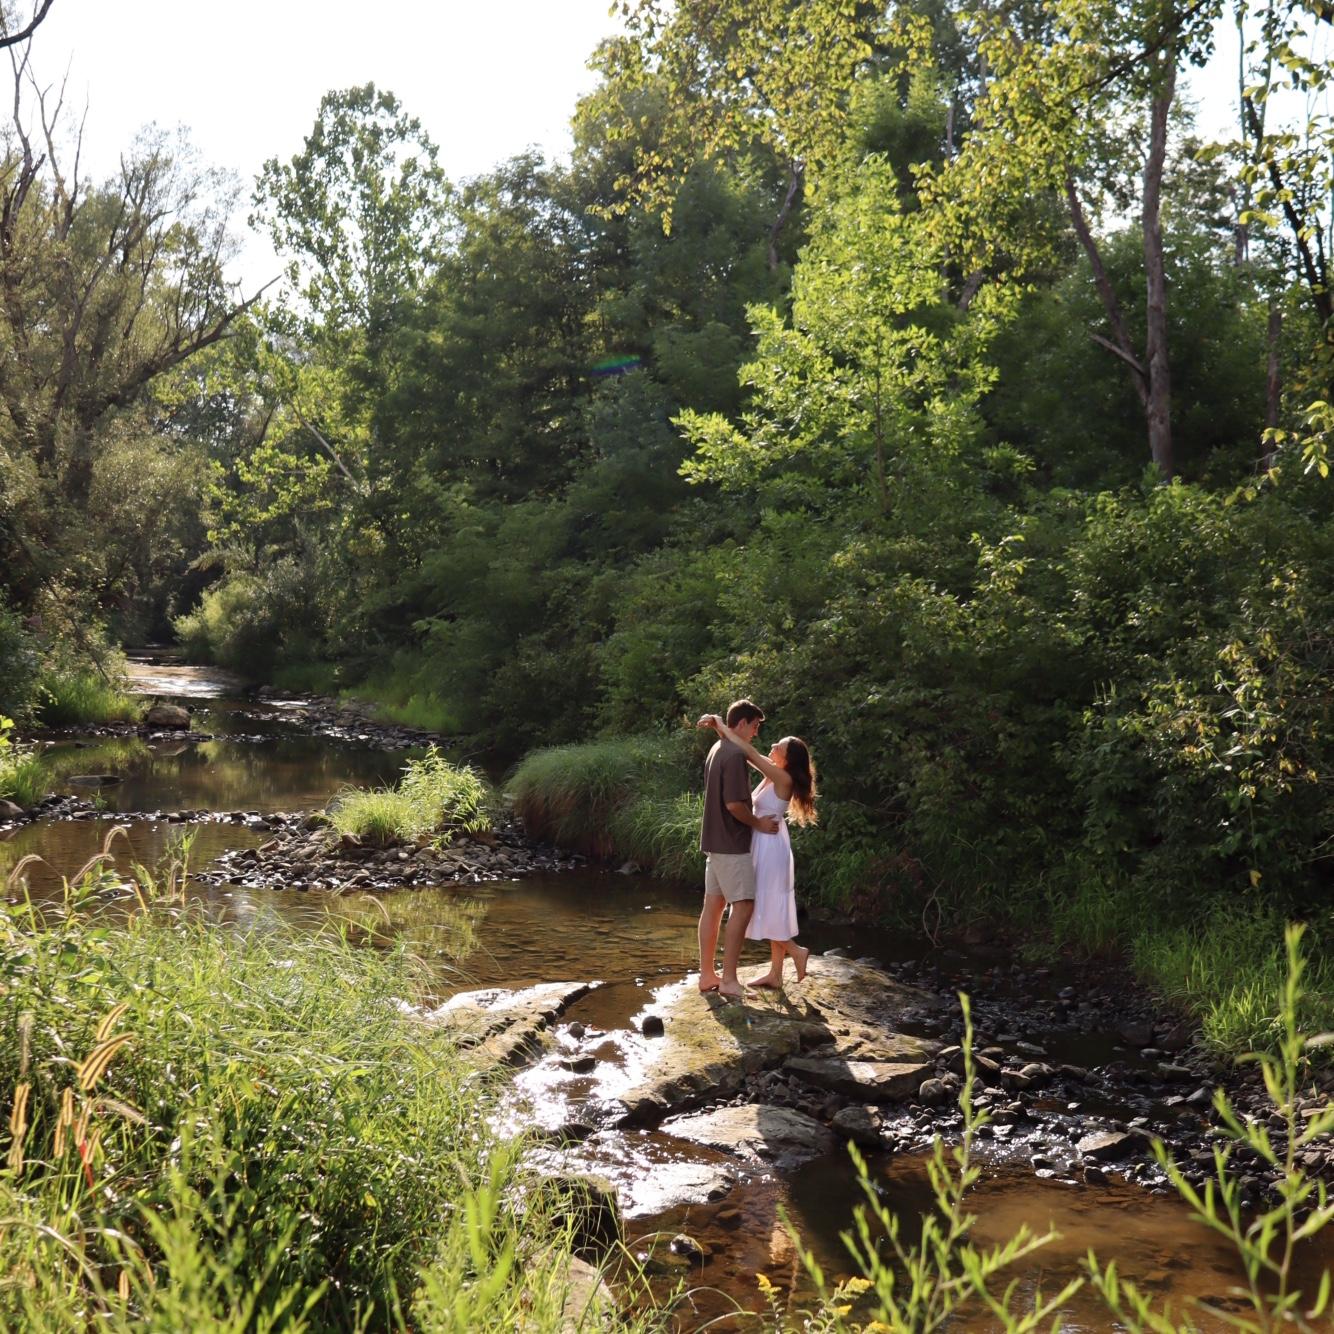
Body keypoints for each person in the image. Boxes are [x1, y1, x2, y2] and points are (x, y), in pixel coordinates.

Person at [699, 713, 818, 988]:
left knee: (767, 903)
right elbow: (745, 752)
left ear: (787, 759)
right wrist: (721, 731)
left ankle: (796, 951)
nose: (772, 745)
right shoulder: (772, 774)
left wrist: (721, 725)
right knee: (772, 902)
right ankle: (776, 974)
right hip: (763, 841)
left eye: (779, 747)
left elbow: (749, 753)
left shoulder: (782, 778)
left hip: (770, 846)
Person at [696, 699, 780, 999]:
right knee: (742, 906)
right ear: (741, 723)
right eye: (755, 726)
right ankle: (729, 980)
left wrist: (718, 727)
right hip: (731, 844)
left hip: (714, 842)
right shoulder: (733, 755)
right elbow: (734, 805)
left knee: (713, 906)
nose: (756, 733)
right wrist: (758, 823)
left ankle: (707, 975)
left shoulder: (718, 748)